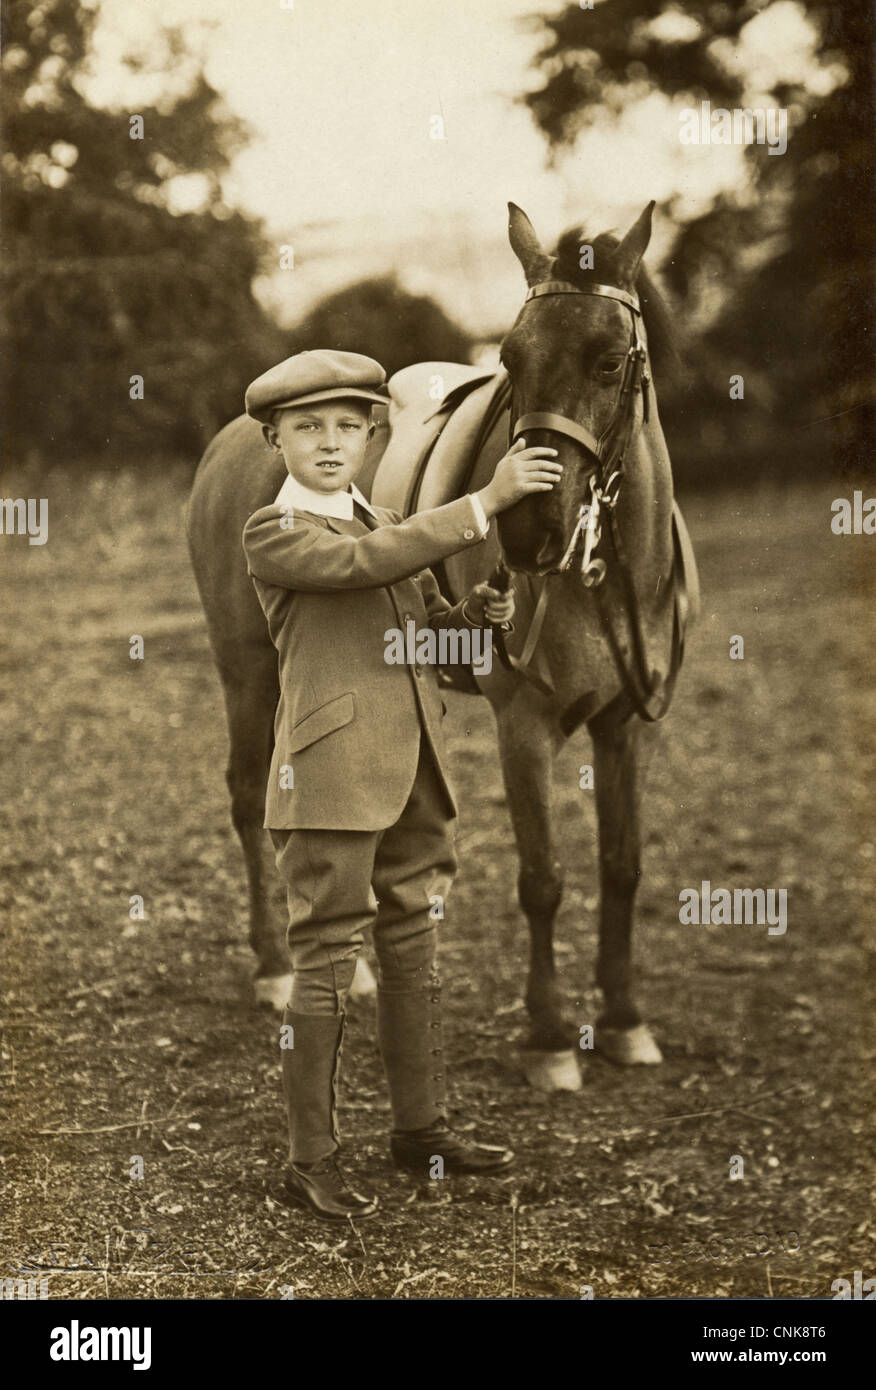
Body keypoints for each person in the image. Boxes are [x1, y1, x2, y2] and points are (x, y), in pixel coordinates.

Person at [241, 348, 561, 1220]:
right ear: (276, 439)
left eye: (350, 425)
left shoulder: (380, 519)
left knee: (414, 941)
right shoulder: (274, 533)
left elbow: (426, 641)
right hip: (332, 778)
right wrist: (485, 502)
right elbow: (362, 567)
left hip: (414, 768)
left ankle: (422, 1132)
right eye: (309, 428)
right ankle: (310, 1160)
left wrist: (475, 617)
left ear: (371, 433)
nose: (332, 442)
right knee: (324, 961)